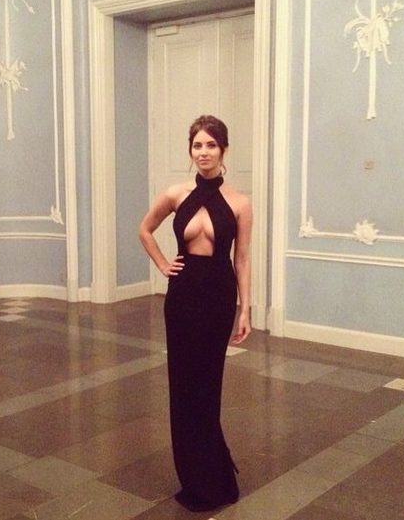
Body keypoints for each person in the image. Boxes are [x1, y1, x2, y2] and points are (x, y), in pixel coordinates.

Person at [138, 115, 252, 512]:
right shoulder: (175, 194)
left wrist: (245, 308)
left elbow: (242, 259)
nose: (203, 153)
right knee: (183, 385)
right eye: (197, 146)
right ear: (190, 151)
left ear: (224, 150)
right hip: (183, 297)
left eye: (211, 145)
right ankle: (193, 476)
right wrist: (162, 264)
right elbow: (145, 229)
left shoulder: (240, 203)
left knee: (208, 385)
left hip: (218, 296)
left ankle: (214, 475)